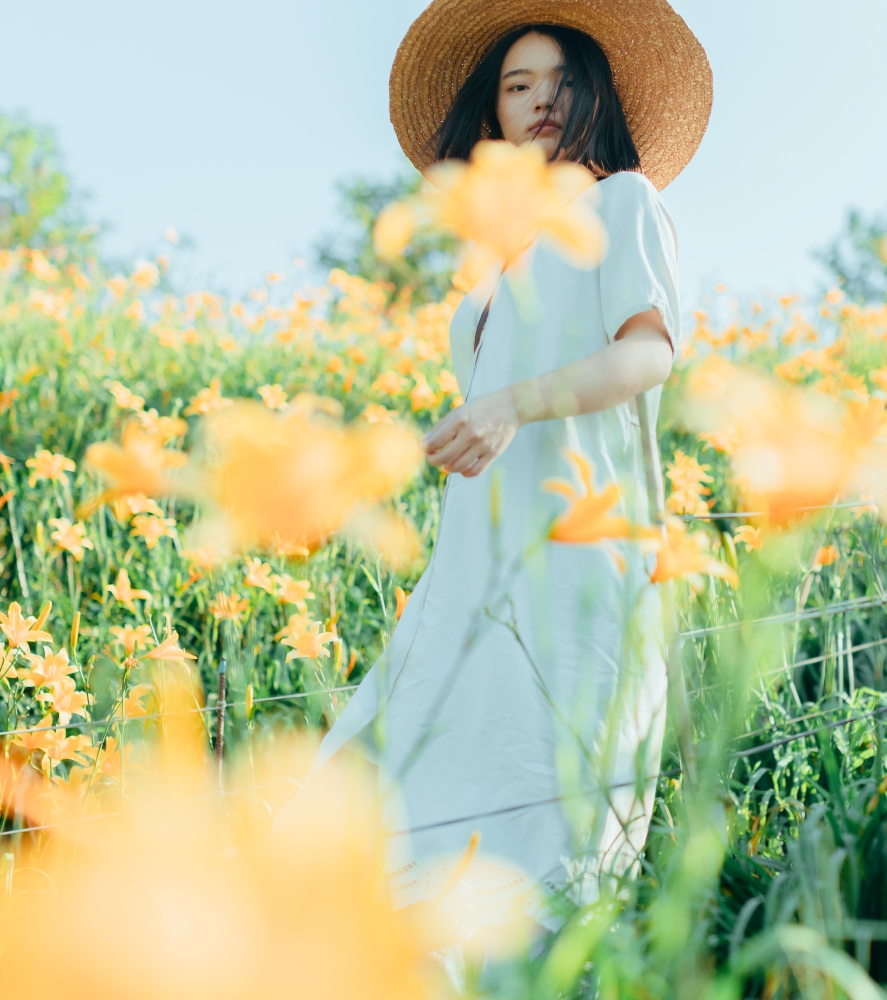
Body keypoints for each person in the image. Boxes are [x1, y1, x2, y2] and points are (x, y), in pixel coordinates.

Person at [300, 0, 711, 936]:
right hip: (475, 568)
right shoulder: (491, 269)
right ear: (490, 121)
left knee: (544, 812)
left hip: (578, 556)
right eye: (516, 85)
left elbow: (649, 353)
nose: (541, 100)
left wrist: (511, 404)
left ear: (595, 95)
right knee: (380, 781)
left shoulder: (623, 201)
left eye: (561, 80)